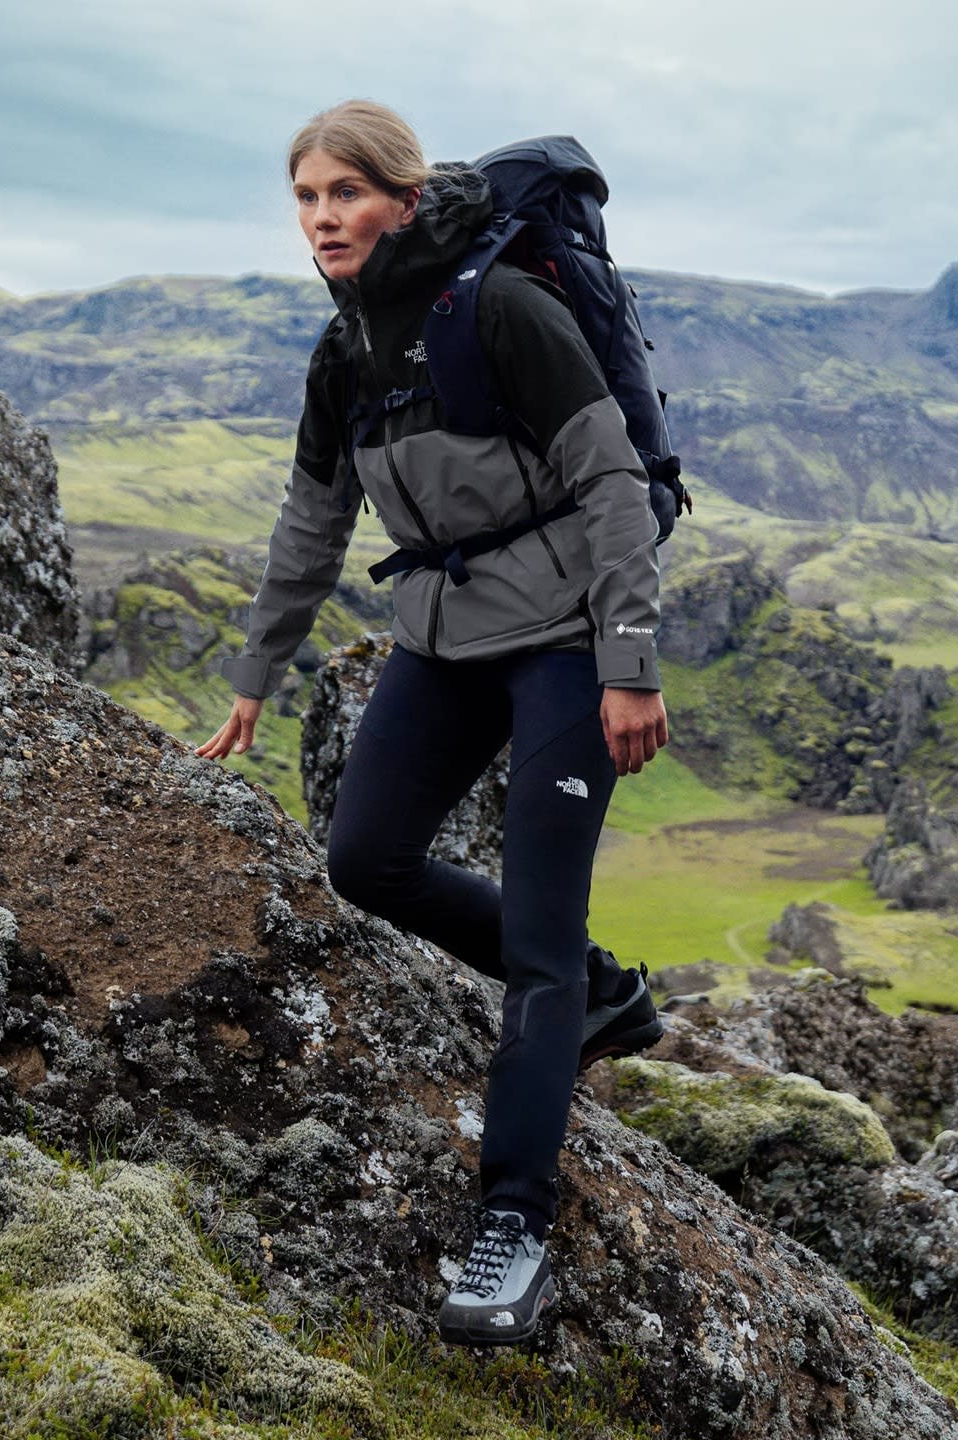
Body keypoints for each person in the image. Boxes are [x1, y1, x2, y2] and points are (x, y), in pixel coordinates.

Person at [198, 99, 668, 1347]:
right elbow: (312, 524)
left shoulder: (499, 309)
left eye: (343, 193)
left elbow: (614, 481)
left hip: (567, 635)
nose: (321, 218)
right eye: (304, 198)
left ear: (402, 199)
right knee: (364, 860)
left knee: (538, 938)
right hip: (448, 631)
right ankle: (607, 996)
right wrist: (254, 678)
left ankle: (510, 1230)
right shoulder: (343, 349)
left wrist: (629, 663)